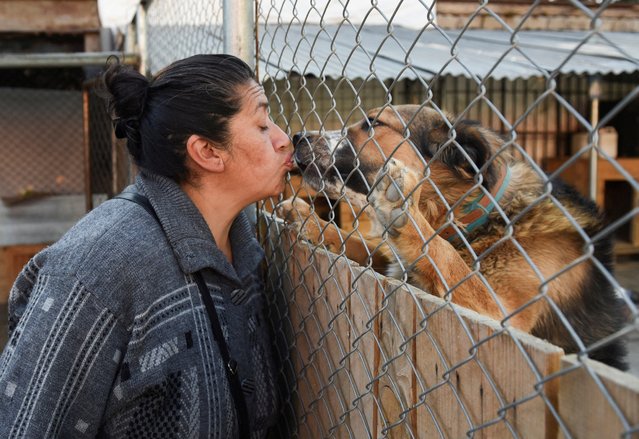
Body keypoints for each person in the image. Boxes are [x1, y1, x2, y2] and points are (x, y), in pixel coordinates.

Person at [0, 54, 292, 438]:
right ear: (207, 151)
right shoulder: (96, 267)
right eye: (261, 123)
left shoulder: (242, 243)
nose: (283, 137)